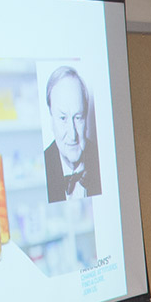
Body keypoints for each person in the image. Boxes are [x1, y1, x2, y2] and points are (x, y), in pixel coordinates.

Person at [42, 66, 99, 201]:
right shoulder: (44, 166)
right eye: (63, 118)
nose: (73, 135)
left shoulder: (102, 159)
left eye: (78, 118)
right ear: (51, 121)